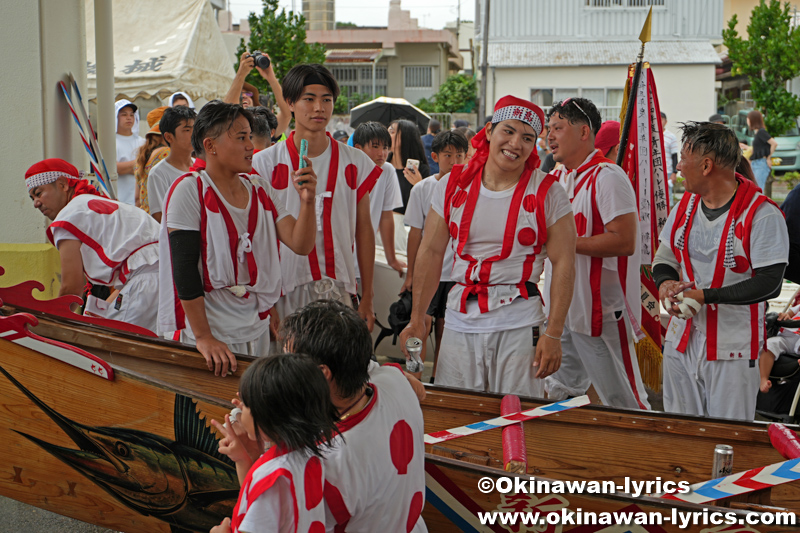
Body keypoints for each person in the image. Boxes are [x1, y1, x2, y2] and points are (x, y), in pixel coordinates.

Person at [399, 96, 577, 397]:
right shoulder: (451, 185)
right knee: (457, 415)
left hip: (520, 323)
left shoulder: (549, 191)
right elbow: (430, 252)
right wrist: (418, 319)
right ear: (489, 130)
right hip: (458, 319)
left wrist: (553, 333)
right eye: (507, 131)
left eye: (527, 138)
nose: (515, 143)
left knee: (516, 422)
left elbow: (564, 262)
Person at [158, 101, 318, 376]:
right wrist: (204, 337)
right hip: (212, 332)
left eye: (250, 137)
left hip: (254, 326)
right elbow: (184, 270)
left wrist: (308, 202)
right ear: (211, 146)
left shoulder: (259, 187)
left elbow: (300, 244)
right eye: (241, 137)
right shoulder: (190, 190)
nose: (250, 146)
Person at [653, 121, 788, 421]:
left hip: (733, 348)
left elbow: (770, 284)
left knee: (726, 440)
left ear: (706, 166)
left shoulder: (762, 214)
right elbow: (664, 257)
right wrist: (664, 283)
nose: (678, 168)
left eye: (682, 159)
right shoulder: (685, 205)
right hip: (680, 341)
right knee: (680, 431)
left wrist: (705, 296)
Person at [251, 64, 382, 330]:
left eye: (326, 100)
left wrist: (367, 295)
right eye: (308, 99)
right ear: (289, 103)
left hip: (340, 287)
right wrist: (265, 301)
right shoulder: (264, 164)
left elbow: (364, 229)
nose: (319, 108)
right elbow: (258, 235)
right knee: (291, 369)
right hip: (285, 290)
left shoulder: (355, 162)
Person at [280, 300, 427, 532]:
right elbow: (415, 389)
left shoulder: (330, 458)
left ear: (322, 373)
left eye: (289, 362)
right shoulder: (394, 380)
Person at [543, 98, 650, 410]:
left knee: (625, 398)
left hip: (600, 311)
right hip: (563, 308)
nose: (549, 137)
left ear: (584, 132)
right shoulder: (558, 178)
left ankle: (645, 454)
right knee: (559, 390)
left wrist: (566, 243)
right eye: (548, 129)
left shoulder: (608, 176)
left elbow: (624, 241)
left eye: (557, 128)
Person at [209, 353, 338, 533]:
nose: (238, 410)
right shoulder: (310, 450)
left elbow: (264, 493)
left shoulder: (273, 479)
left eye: (245, 405)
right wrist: (242, 459)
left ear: (268, 415)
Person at [26, 158, 160, 331]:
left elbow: (71, 288)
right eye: (32, 198)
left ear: (62, 184)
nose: (36, 203)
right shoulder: (94, 205)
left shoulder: (68, 216)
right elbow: (138, 272)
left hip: (147, 282)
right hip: (168, 277)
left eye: (38, 193)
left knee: (115, 348)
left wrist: (50, 326)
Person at [402, 130, 467, 381]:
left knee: (445, 330)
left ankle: (439, 382)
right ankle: (415, 378)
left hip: (457, 273)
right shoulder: (422, 188)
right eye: (448, 155)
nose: (454, 161)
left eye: (460, 155)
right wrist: (411, 273)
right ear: (434, 156)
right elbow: (414, 235)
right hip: (430, 271)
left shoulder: (471, 188)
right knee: (421, 325)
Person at [352, 122, 406, 276]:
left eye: (385, 148)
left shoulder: (387, 170)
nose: (382, 153)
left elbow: (386, 216)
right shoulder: (346, 170)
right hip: (336, 259)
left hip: (363, 259)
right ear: (358, 149)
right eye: (375, 147)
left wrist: (392, 259)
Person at [225, 52, 292, 142]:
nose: (244, 96)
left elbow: (286, 114)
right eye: (241, 95)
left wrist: (271, 77)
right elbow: (226, 111)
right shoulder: (233, 125)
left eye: (248, 94)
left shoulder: (265, 125)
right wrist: (241, 74)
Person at [147, 105, 197, 223]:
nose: (193, 134)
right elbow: (160, 217)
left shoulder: (201, 168)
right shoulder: (158, 174)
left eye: (195, 129)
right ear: (169, 137)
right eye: (187, 130)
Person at [391, 120, 431, 254]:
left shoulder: (421, 171)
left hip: (405, 233)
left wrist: (419, 185)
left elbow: (428, 208)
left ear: (405, 138)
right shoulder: (382, 166)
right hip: (379, 227)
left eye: (392, 132)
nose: (387, 135)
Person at [134, 110, 169, 212]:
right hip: (163, 219)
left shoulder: (142, 156)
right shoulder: (167, 153)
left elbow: (137, 198)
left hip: (147, 217)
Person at [759, 306, 800, 393]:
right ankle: (763, 378)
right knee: (769, 345)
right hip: (787, 336)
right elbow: (788, 314)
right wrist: (785, 316)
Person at [115, 99, 146, 205]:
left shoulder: (142, 142)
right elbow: (112, 168)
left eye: (131, 115)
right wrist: (139, 164)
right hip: (118, 200)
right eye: (124, 114)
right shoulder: (110, 143)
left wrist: (125, 167)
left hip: (139, 203)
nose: (129, 118)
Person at [748, 109, 778, 191]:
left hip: (760, 164)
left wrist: (768, 157)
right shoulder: (757, 133)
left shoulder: (761, 132)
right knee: (754, 189)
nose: (747, 121)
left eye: (748, 119)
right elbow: (758, 149)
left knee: (758, 189)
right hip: (755, 163)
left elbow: (774, 143)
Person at [661, 112, 679, 207]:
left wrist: (674, 173)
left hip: (667, 171)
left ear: (666, 121)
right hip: (653, 170)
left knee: (667, 196)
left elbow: (674, 155)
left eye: (661, 119)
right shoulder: (650, 136)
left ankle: (668, 217)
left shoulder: (671, 137)